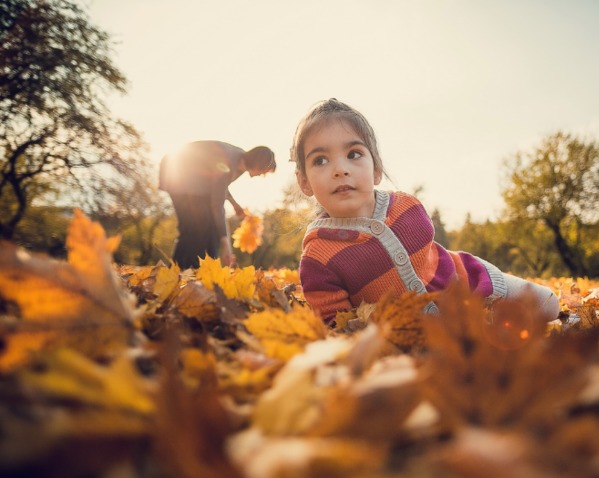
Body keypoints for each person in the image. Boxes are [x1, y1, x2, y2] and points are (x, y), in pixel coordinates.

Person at [291, 98, 560, 323]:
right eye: (321, 160)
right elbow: (335, 322)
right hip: (416, 330)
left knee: (548, 305)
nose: (340, 169)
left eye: (353, 154)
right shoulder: (318, 258)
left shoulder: (406, 207)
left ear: (376, 170)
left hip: (474, 282)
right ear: (304, 181)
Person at [159, 141, 276, 268]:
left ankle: (203, 268)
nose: (262, 175)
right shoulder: (227, 160)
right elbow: (217, 203)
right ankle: (182, 270)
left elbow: (220, 186)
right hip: (179, 175)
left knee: (206, 227)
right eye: (264, 171)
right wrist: (225, 242)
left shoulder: (240, 162)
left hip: (195, 183)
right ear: (258, 164)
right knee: (193, 227)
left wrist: (234, 204)